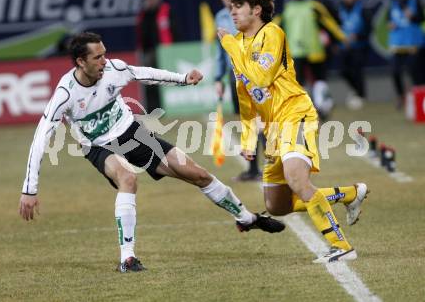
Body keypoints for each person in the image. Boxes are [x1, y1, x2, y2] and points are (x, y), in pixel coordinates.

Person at [19, 32, 285, 273]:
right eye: (97, 57)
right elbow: (40, 137)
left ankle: (247, 218)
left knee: (198, 174)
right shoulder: (65, 94)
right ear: (80, 62)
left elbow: (143, 73)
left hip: (131, 133)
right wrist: (29, 190)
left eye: (105, 54)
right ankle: (128, 258)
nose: (105, 61)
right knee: (128, 179)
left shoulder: (114, 69)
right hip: (97, 146)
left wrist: (183, 79)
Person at [218, 0, 369, 263]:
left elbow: (261, 77)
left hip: (294, 113)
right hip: (273, 127)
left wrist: (228, 44)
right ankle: (350, 194)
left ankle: (341, 246)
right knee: (277, 205)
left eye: (238, 7)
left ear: (257, 10)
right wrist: (249, 139)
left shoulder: (272, 34)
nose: (232, 13)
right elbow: (246, 96)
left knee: (297, 179)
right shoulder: (239, 45)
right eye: (231, 9)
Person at [214, 0, 265, 181]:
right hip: (234, 77)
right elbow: (220, 52)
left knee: (262, 122)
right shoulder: (219, 17)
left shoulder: (250, 13)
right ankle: (253, 170)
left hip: (253, 75)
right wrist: (219, 78)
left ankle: (275, 167)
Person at [280, 0, 346, 120]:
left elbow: (276, 25)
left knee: (299, 83)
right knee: (319, 79)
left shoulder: (288, 9)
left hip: (295, 52)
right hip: (314, 50)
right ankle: (322, 107)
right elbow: (329, 23)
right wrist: (342, 38)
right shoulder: (314, 7)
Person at [386, 0, 424, 109]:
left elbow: (421, 19)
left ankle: (419, 100)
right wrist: (390, 24)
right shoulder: (393, 2)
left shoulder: (415, 0)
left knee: (415, 71)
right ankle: (401, 96)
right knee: (395, 71)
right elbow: (387, 20)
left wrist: (412, 15)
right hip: (398, 43)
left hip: (413, 42)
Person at [136, 0, 177, 112]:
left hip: (165, 52)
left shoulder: (166, 10)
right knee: (150, 82)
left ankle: (167, 107)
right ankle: (153, 109)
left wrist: (174, 49)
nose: (149, 0)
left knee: (165, 81)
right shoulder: (143, 14)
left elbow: (174, 30)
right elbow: (140, 34)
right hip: (149, 53)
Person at [337, 0, 371, 110]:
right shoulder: (339, 9)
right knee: (342, 70)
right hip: (344, 46)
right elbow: (335, 26)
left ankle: (361, 95)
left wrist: (358, 36)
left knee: (357, 70)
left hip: (360, 46)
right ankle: (356, 90)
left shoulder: (362, 8)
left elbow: (369, 27)